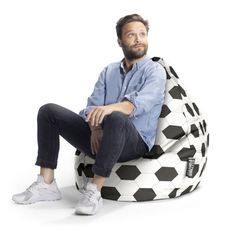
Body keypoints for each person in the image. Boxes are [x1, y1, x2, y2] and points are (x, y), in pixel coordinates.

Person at [12, 14, 166, 215]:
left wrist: (108, 110)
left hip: (134, 142)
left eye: (142, 34)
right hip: (100, 138)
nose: (138, 39)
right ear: (120, 41)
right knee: (48, 111)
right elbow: (92, 107)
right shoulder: (109, 71)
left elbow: (138, 105)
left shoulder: (155, 71)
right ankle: (47, 183)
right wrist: (94, 127)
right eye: (131, 35)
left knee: (117, 117)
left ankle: (94, 190)